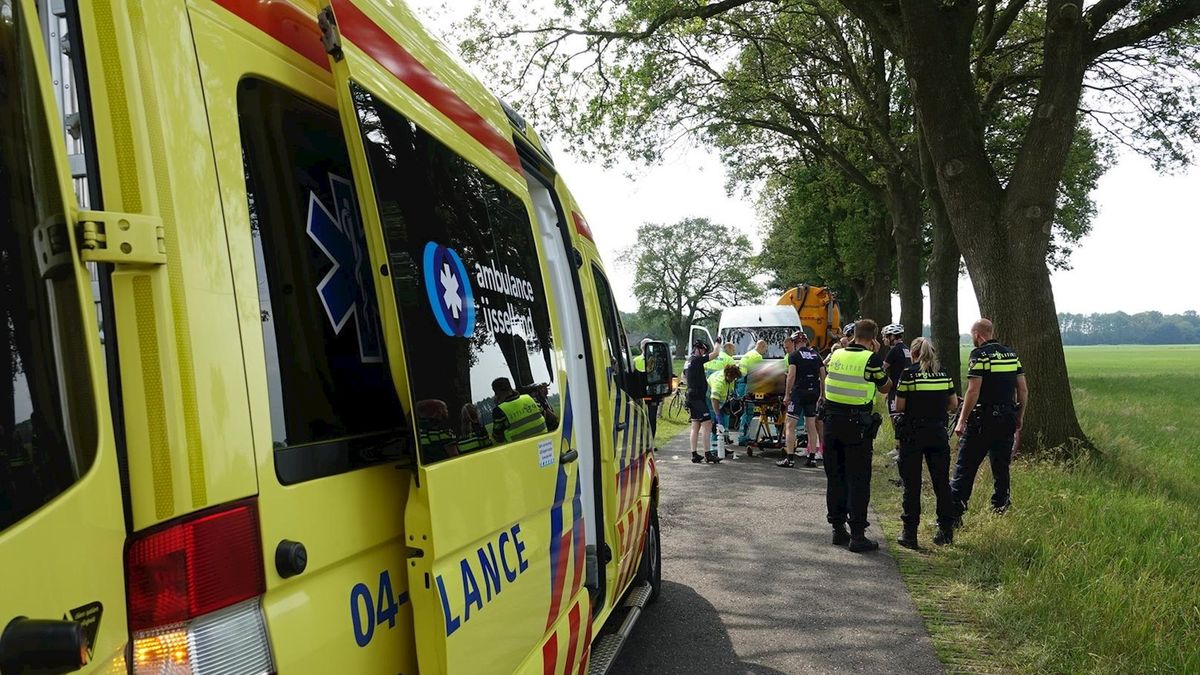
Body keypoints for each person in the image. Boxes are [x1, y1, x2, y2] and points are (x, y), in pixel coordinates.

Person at [820, 319, 890, 552]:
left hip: (831, 423)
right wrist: (876, 356)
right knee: (858, 479)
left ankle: (838, 528)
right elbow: (885, 386)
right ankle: (858, 535)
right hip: (856, 426)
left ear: (853, 335)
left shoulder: (836, 355)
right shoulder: (871, 359)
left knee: (835, 476)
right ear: (873, 339)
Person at [951, 319, 1027, 524]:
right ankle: (1000, 508)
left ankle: (953, 515)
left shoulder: (979, 355)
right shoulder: (1011, 354)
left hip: (982, 422)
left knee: (965, 468)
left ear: (977, 334)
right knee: (1001, 467)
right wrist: (1019, 416)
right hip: (1007, 419)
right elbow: (1022, 389)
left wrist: (961, 420)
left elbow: (973, 391)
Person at [894, 337, 959, 548]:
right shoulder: (944, 373)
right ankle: (946, 531)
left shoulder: (908, 374)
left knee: (912, 484)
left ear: (913, 354)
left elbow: (900, 406)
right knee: (942, 483)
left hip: (913, 433)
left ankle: (910, 534)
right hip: (938, 432)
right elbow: (953, 404)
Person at [779, 331, 826, 468]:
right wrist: (822, 394)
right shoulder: (816, 355)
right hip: (813, 392)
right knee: (811, 425)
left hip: (799, 392)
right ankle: (812, 458)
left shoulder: (794, 355)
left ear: (794, 343)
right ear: (806, 342)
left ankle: (790, 458)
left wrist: (787, 394)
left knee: (790, 425)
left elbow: (791, 375)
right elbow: (823, 376)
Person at [882, 323, 911, 485]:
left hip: (896, 388)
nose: (885, 340)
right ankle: (899, 447)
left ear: (893, 337)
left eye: (886, 337)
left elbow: (882, 368)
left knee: (896, 419)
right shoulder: (906, 349)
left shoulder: (894, 350)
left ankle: (900, 449)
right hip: (905, 388)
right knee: (901, 418)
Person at [685, 339, 723, 463]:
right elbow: (715, 354)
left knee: (695, 425)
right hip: (697, 398)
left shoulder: (689, 361)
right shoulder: (697, 360)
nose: (704, 353)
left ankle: (694, 454)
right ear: (699, 349)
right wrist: (718, 343)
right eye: (703, 350)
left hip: (691, 396)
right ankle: (708, 454)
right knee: (707, 424)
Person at [491, 377, 550, 443]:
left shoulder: (499, 411)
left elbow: (497, 437)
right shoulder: (530, 398)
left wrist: (498, 404)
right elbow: (543, 413)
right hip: (544, 443)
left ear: (497, 394)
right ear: (511, 388)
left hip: (521, 447)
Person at [735, 339, 769, 445]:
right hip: (748, 384)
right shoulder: (757, 356)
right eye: (765, 349)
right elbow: (759, 374)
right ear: (762, 346)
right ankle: (744, 437)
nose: (765, 352)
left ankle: (742, 436)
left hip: (741, 384)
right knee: (748, 411)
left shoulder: (748, 354)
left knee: (744, 410)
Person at [709, 363, 743, 460]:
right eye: (733, 378)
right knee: (716, 426)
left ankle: (720, 447)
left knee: (723, 425)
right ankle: (713, 450)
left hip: (721, 401)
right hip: (710, 400)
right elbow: (714, 399)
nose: (733, 380)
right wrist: (717, 414)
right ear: (728, 375)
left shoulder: (729, 378)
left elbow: (729, 388)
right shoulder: (719, 382)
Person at [633, 338, 661, 444]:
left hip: (652, 393)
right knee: (640, 418)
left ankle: (650, 442)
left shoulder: (655, 361)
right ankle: (641, 441)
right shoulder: (636, 360)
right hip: (640, 393)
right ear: (642, 347)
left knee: (652, 418)